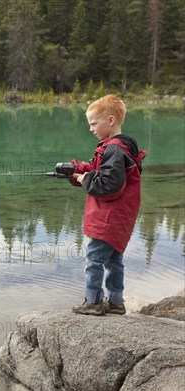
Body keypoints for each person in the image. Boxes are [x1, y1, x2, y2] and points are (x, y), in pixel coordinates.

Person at [70, 95, 147, 316]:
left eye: (94, 123)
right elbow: (100, 169)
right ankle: (115, 302)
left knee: (94, 259)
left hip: (108, 217)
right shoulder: (118, 146)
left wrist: (84, 179)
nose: (91, 129)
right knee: (114, 260)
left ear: (110, 120)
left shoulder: (114, 148)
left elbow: (109, 185)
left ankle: (93, 302)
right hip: (120, 217)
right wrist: (77, 169)